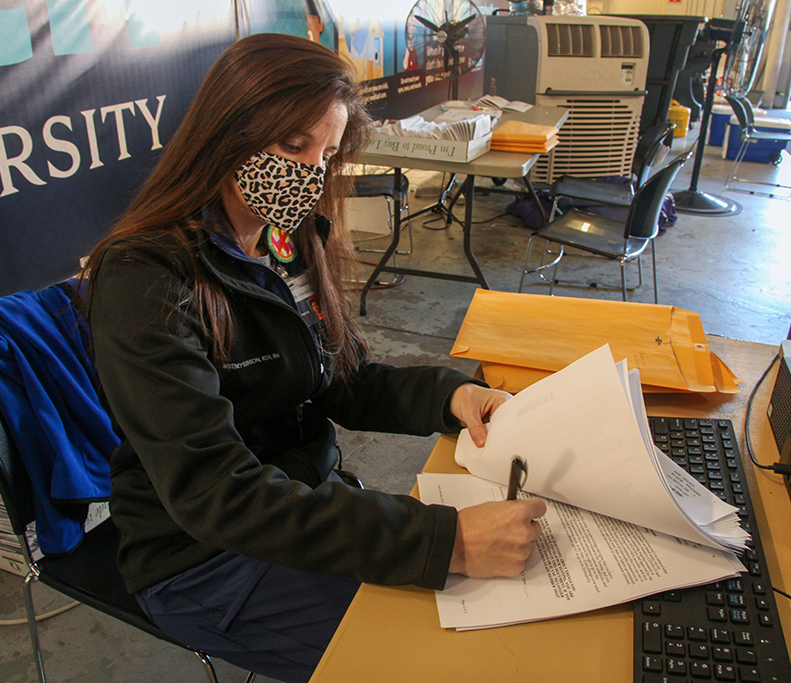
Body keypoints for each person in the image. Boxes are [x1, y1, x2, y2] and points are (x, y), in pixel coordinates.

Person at [82, 33, 546, 683]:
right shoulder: (146, 279)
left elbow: (339, 383)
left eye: (326, 153)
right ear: (226, 130)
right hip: (202, 559)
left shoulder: (282, 238)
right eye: (292, 146)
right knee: (441, 660)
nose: (309, 172)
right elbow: (220, 496)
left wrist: (449, 395)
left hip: (303, 507)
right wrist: (451, 541)